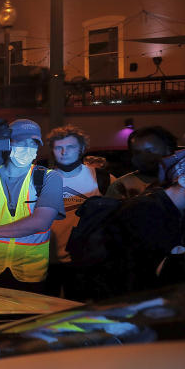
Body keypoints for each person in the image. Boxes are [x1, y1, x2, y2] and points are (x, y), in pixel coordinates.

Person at [0, 119, 64, 293]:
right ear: (6, 144)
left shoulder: (49, 178)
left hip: (29, 273)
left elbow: (41, 222)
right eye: (21, 143)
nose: (27, 148)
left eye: (33, 144)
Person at [86, 152, 185, 299]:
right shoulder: (145, 210)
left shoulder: (184, 211)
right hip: (126, 306)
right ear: (184, 181)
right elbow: (154, 272)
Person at [45, 125, 110, 296]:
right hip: (46, 260)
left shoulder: (102, 178)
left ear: (81, 149)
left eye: (70, 147)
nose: (64, 152)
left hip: (84, 262)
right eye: (58, 147)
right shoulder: (40, 179)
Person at [106, 125, 177, 199]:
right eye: (137, 153)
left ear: (169, 149)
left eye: (149, 151)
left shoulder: (184, 179)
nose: (143, 157)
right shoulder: (121, 185)